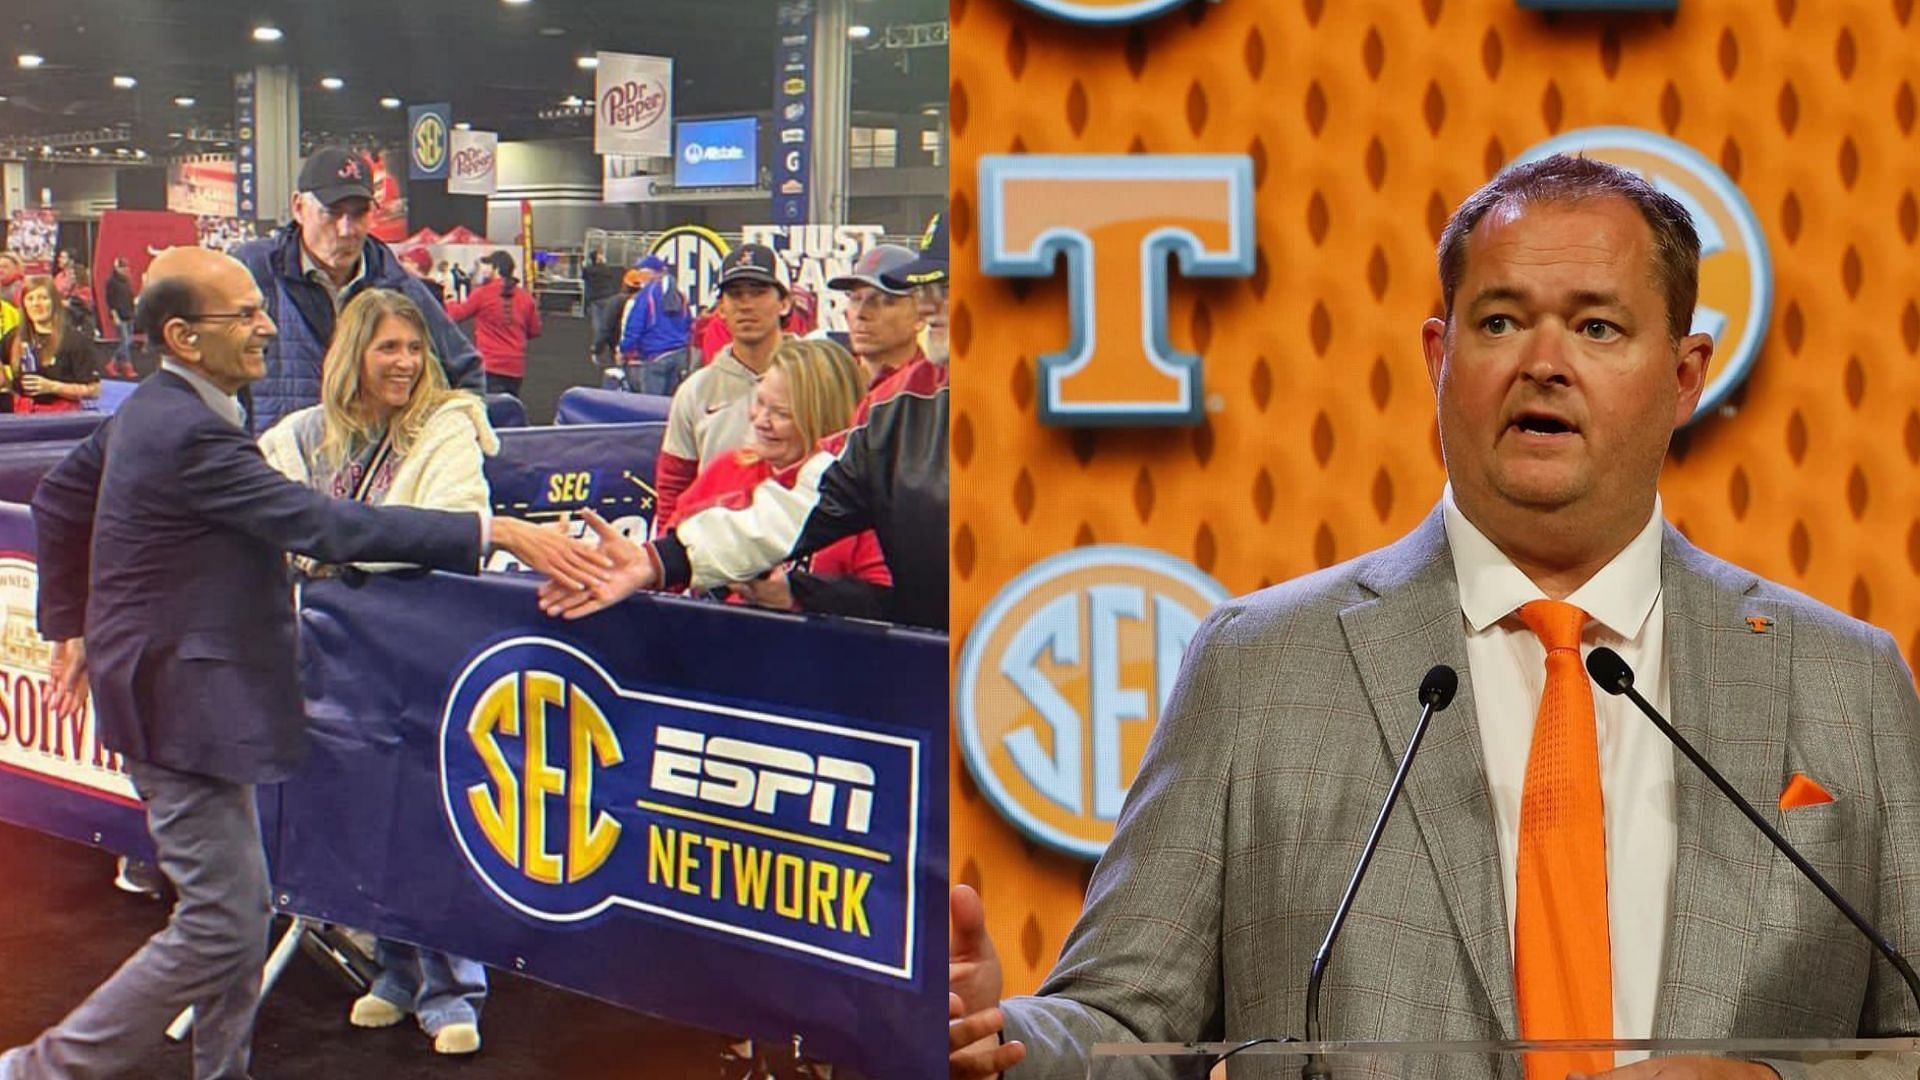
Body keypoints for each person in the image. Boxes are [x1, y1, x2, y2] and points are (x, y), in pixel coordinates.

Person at [945, 155, 1920, 1080]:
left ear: (1685, 374)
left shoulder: (1846, 680)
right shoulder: (1261, 667)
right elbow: (1126, 1029)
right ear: (1438, 355)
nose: (1543, 362)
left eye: (1598, 328)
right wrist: (1007, 1042)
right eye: (1500, 322)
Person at [0, 246, 606, 1080]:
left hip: (193, 698)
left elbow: (65, 498)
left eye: (259, 308)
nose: (265, 327)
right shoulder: (186, 430)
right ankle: (40, 1070)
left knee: (235, 914)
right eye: (243, 315)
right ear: (181, 336)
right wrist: (492, 532)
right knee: (222, 923)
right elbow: (325, 526)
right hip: (181, 706)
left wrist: (66, 621)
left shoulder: (171, 407)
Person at [260, 288, 493, 1056]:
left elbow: (451, 525)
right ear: (351, 355)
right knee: (368, 814)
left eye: (414, 348)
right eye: (387, 348)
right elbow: (271, 508)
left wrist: (333, 545)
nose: (404, 363)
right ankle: (394, 972)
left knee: (434, 816)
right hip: (339, 661)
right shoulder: (307, 435)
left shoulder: (449, 426)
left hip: (426, 650)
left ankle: (456, 987)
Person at [232, 145, 481, 433]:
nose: (347, 229)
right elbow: (211, 376)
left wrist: (449, 446)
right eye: (332, 213)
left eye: (359, 213)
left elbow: (464, 372)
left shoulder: (396, 283)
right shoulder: (251, 271)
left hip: (372, 469)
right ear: (298, 207)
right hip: (273, 467)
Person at [668, 339, 889, 618]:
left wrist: (797, 595)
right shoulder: (726, 469)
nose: (760, 420)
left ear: (822, 420)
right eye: (759, 402)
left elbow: (887, 606)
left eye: (781, 413)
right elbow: (671, 562)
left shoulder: (860, 493)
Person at [652, 243, 790, 525]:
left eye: (759, 292)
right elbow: (674, 483)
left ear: (784, 303)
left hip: (798, 546)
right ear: (721, 308)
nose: (746, 304)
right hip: (715, 553)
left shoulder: (816, 378)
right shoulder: (695, 391)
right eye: (735, 294)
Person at [444, 250, 542, 398]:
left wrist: (448, 298)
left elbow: (455, 315)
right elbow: (535, 330)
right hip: (515, 367)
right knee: (509, 411)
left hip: (490, 365)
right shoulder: (525, 297)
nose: (483, 270)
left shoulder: (483, 293)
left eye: (487, 266)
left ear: (496, 269)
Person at [827, 244, 925, 390]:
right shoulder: (828, 383)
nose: (861, 313)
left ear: (922, 315)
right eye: (855, 298)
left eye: (884, 301)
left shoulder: (939, 391)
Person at [5, 275, 100, 414]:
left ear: (54, 302)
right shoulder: (14, 337)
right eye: (30, 298)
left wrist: (52, 387)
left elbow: (94, 390)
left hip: (60, 419)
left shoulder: (75, 340)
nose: (36, 304)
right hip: (20, 417)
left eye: (43, 298)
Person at [617, 254, 692, 396]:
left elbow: (635, 326)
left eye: (641, 273)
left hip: (655, 356)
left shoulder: (647, 295)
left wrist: (624, 349)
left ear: (650, 273)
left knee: (651, 408)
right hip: (680, 356)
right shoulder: (680, 295)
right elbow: (689, 324)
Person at [581, 248, 624, 363]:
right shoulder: (606, 269)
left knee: (598, 325)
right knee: (610, 324)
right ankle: (610, 349)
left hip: (595, 299)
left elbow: (584, 275)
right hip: (607, 298)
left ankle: (598, 348)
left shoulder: (588, 270)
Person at [104, 256, 138, 378]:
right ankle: (126, 366)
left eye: (126, 267)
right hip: (119, 315)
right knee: (125, 341)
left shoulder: (126, 280)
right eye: (122, 267)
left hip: (129, 314)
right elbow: (110, 300)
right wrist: (114, 316)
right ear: (116, 267)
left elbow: (129, 297)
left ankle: (114, 363)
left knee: (128, 341)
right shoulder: (111, 281)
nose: (125, 270)